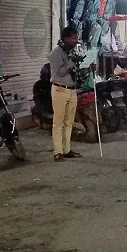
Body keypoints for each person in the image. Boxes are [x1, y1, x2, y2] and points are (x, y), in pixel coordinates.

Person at [49, 26, 83, 162]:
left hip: (72, 90)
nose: (76, 41)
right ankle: (58, 152)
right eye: (74, 38)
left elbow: (75, 72)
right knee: (58, 122)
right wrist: (72, 61)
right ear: (66, 38)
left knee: (69, 122)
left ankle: (66, 149)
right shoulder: (56, 53)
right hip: (60, 89)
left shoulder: (71, 52)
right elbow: (61, 72)